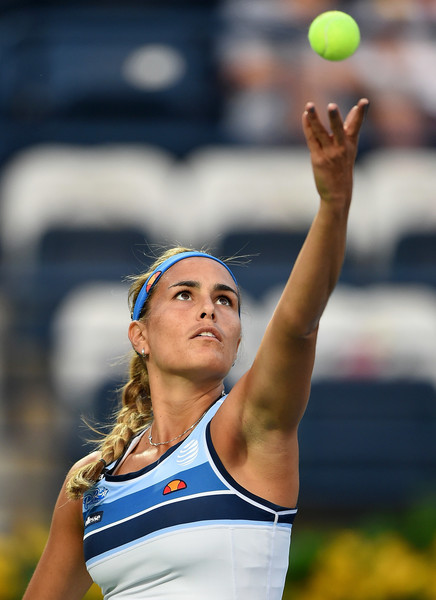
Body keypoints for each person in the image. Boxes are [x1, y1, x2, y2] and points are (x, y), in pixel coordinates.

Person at [23, 97, 369, 600]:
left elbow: (297, 324)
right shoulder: (90, 481)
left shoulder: (247, 428)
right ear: (140, 336)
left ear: (236, 337)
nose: (210, 309)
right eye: (184, 294)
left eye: (225, 301)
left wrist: (334, 206)